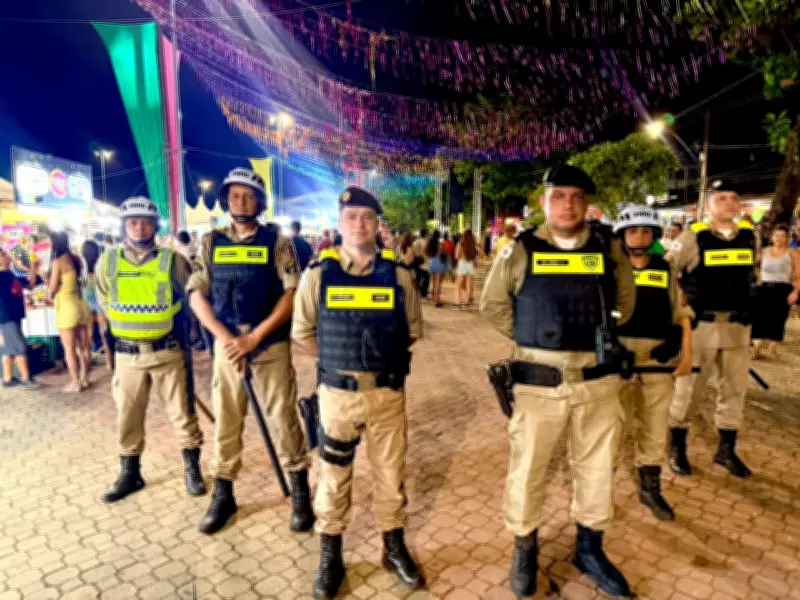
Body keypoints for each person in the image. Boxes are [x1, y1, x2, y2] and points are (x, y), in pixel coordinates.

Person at [480, 165, 635, 598]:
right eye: (559, 196)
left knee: (598, 468)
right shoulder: (520, 249)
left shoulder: (608, 247)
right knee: (529, 468)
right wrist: (532, 338)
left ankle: (589, 548)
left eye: (577, 197)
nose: (569, 205)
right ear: (544, 202)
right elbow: (492, 305)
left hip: (597, 383)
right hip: (539, 384)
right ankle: (524, 546)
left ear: (587, 203)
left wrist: (599, 332)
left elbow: (626, 301)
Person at [293, 186, 425, 599]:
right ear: (339, 223)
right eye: (351, 217)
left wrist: (378, 361)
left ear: (377, 224)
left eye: (367, 217)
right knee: (333, 476)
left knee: (391, 474)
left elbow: (413, 330)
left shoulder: (398, 274)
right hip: (337, 396)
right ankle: (330, 554)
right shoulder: (318, 274)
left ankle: (393, 546)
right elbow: (302, 332)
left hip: (386, 395)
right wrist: (339, 361)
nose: (359, 224)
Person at [187, 167, 312, 535]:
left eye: (248, 196)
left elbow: (292, 293)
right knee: (227, 419)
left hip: (269, 344)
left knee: (283, 417)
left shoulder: (278, 242)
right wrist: (228, 340)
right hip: (228, 344)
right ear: (226, 200)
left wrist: (253, 339)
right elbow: (196, 294)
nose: (241, 202)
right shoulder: (210, 242)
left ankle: (300, 491)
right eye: (235, 195)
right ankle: (223, 493)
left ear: (260, 201)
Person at [95, 197, 206, 503]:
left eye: (145, 222)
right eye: (133, 222)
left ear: (155, 226)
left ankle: (192, 469)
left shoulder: (173, 261)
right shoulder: (108, 261)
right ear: (124, 226)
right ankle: (130, 473)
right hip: (127, 355)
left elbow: (191, 299)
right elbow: (104, 300)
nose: (139, 228)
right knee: (127, 416)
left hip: (167, 352)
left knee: (183, 413)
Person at [668, 179, 758, 478]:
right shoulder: (692, 237)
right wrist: (679, 312)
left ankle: (726, 450)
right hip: (701, 328)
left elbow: (752, 277)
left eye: (734, 198)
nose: (729, 203)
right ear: (708, 205)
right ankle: (677, 447)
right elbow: (667, 272)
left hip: (737, 328)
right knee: (689, 391)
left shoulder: (750, 237)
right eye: (721, 198)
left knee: (734, 390)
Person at [613, 204, 694, 521]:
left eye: (646, 231)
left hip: (657, 361)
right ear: (622, 235)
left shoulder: (665, 268)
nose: (639, 236)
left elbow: (681, 313)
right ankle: (599, 493)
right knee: (610, 430)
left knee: (655, 429)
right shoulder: (610, 270)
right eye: (633, 231)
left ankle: (650, 490)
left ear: (655, 235)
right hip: (617, 362)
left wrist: (685, 352)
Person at [49, 231, 91, 392]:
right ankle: (85, 379)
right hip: (80, 304)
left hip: (66, 307)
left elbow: (52, 288)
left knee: (69, 349)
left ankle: (75, 382)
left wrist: (50, 285)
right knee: (84, 347)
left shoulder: (58, 262)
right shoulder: (76, 259)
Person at [752, 224, 800, 358]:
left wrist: (796, 291)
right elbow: (753, 267)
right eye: (776, 235)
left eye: (782, 236)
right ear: (772, 237)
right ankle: (757, 347)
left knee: (778, 318)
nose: (779, 238)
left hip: (783, 288)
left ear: (787, 238)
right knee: (759, 317)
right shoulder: (764, 251)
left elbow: (798, 275)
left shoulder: (792, 253)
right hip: (764, 287)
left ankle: (773, 347)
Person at [0, 247, 39, 388]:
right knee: (19, 346)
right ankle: (26, 378)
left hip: (14, 316)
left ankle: (7, 378)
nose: (7, 255)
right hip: (7, 317)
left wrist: (33, 268)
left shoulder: (11, 274)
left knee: (10, 347)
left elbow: (30, 285)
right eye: (3, 254)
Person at [81, 240, 113, 371]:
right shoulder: (102, 264)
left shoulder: (81, 265)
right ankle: (109, 362)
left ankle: (87, 362)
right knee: (103, 331)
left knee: (88, 333)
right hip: (99, 297)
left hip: (86, 296)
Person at [455, 229, 477, 307]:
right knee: (469, 285)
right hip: (470, 265)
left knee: (459, 285)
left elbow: (457, 256)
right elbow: (479, 254)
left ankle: (458, 302)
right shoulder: (473, 243)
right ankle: (466, 302)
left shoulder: (460, 243)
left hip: (462, 264)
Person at [425, 230, 448, 306]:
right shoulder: (441, 244)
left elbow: (426, 253)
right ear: (439, 236)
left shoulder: (430, 243)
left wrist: (429, 260)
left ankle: (432, 300)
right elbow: (445, 254)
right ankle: (437, 300)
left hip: (432, 263)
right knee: (438, 283)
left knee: (433, 283)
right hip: (439, 263)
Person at [412, 229, 430, 299]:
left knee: (417, 277)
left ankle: (416, 292)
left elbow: (413, 251)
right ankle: (423, 293)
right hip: (425, 262)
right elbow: (428, 252)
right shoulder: (426, 242)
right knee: (426, 278)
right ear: (425, 234)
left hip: (416, 261)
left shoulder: (415, 242)